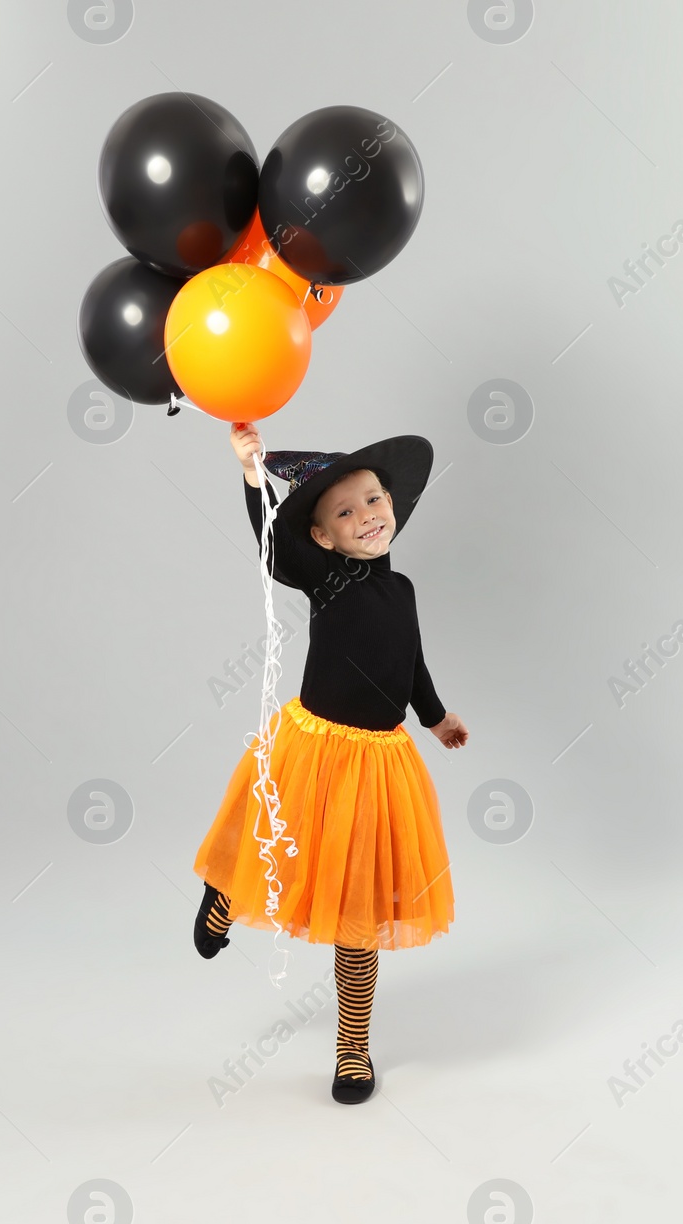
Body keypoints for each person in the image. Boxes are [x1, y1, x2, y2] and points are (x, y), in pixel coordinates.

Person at [192, 421, 468, 1104]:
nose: (366, 516)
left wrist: (435, 717)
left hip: (379, 763)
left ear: (392, 504)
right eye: (344, 512)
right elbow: (270, 543)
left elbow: (411, 663)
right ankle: (225, 897)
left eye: (373, 500)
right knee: (275, 847)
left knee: (362, 908)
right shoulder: (328, 579)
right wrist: (253, 475)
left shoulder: (401, 592)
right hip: (314, 746)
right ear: (323, 536)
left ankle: (352, 1048)